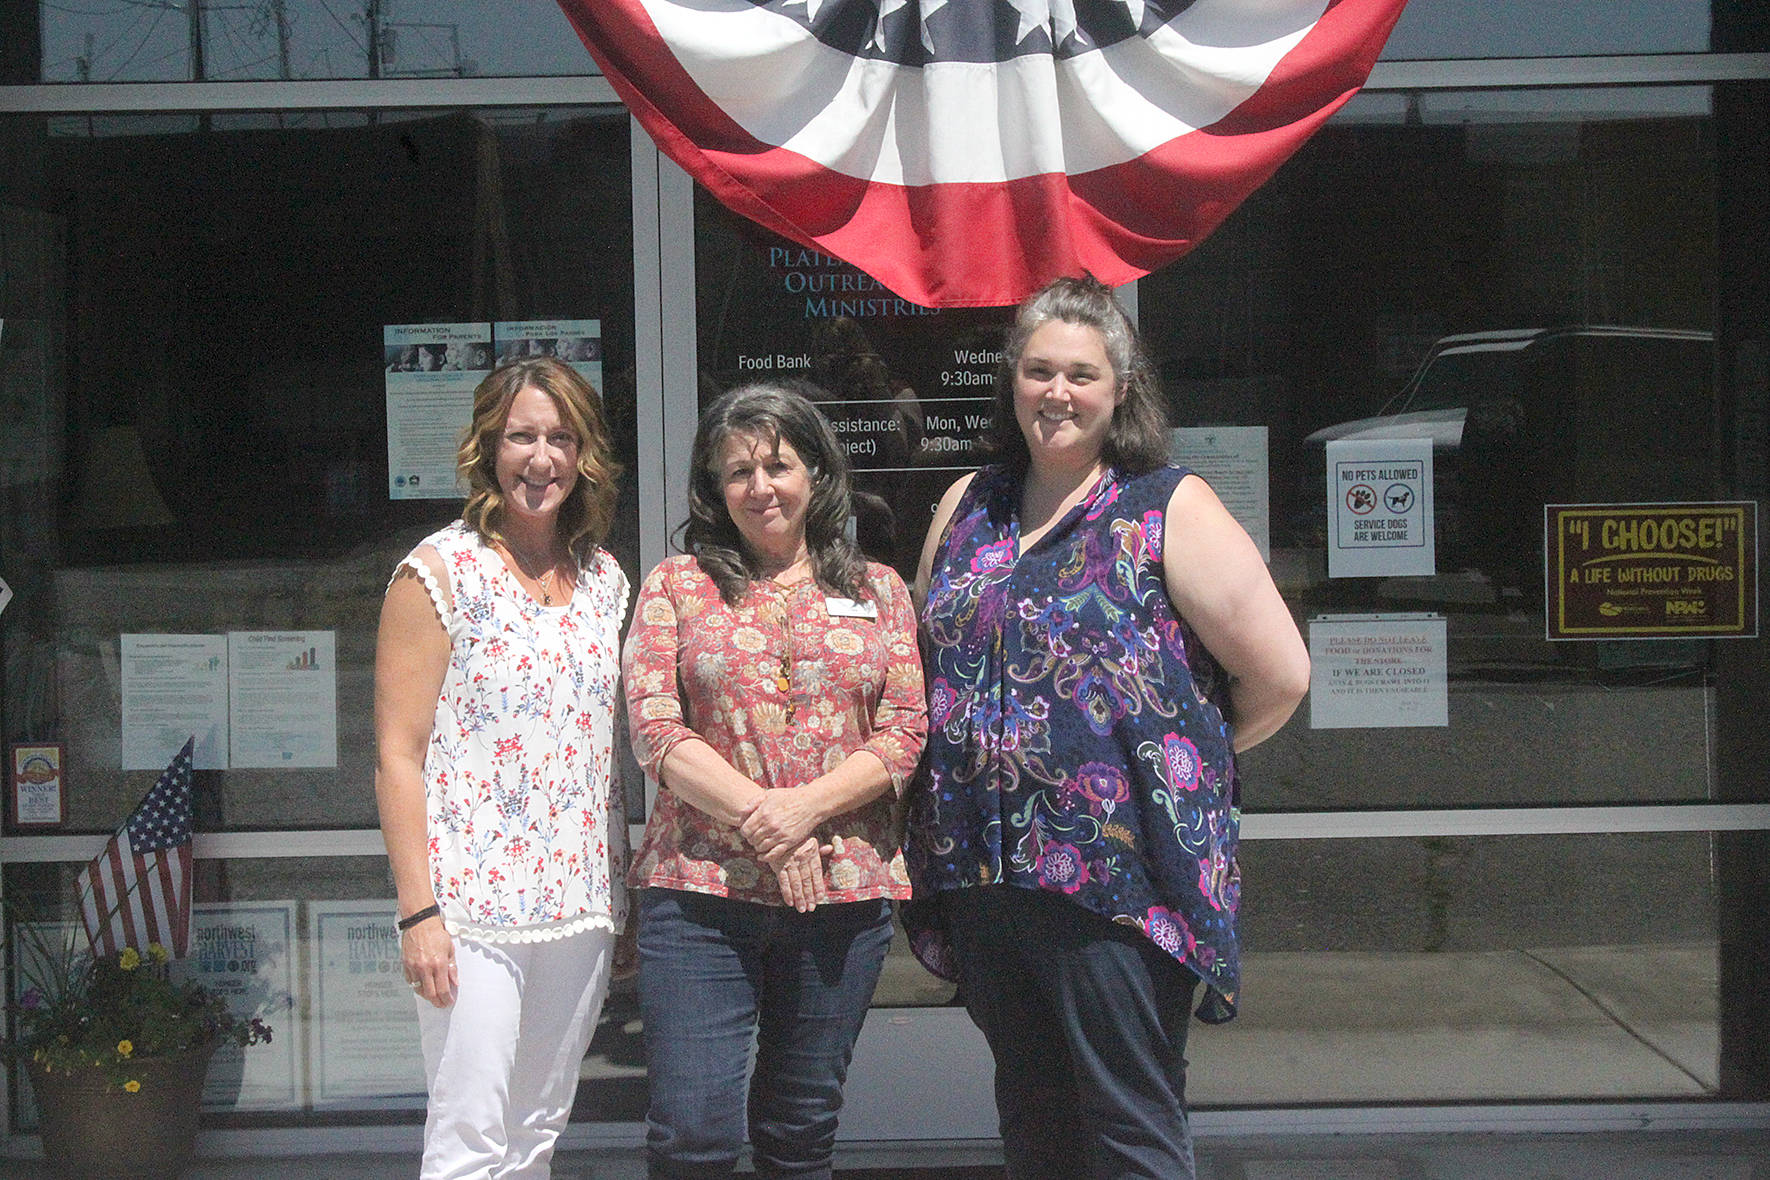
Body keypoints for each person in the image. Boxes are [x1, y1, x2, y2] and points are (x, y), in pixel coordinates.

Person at [906, 276, 1311, 1180]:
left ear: (1119, 388)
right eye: (1039, 370)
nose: (1058, 392)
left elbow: (1281, 674)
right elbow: (929, 655)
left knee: (1129, 1120)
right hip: (986, 872)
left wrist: (1174, 765)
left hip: (1115, 880)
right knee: (1033, 1108)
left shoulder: (1167, 506)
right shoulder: (968, 503)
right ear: (1011, 382)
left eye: (1081, 374)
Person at [623, 381, 927, 1180]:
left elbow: (904, 733)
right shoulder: (677, 585)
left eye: (778, 465)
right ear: (715, 490)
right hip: (700, 891)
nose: (760, 487)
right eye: (737, 473)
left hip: (842, 897)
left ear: (818, 475)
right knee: (693, 1137)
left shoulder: (879, 590)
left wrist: (805, 811)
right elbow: (656, 732)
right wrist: (769, 816)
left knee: (800, 1133)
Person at [374, 355, 630, 1178]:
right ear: (489, 447)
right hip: (471, 913)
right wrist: (419, 914)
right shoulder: (438, 573)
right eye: (522, 436)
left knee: (535, 1137)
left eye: (561, 437)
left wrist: (618, 895)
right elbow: (397, 755)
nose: (541, 458)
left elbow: (602, 749)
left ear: (585, 454)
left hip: (580, 907)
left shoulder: (605, 582)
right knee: (470, 1140)